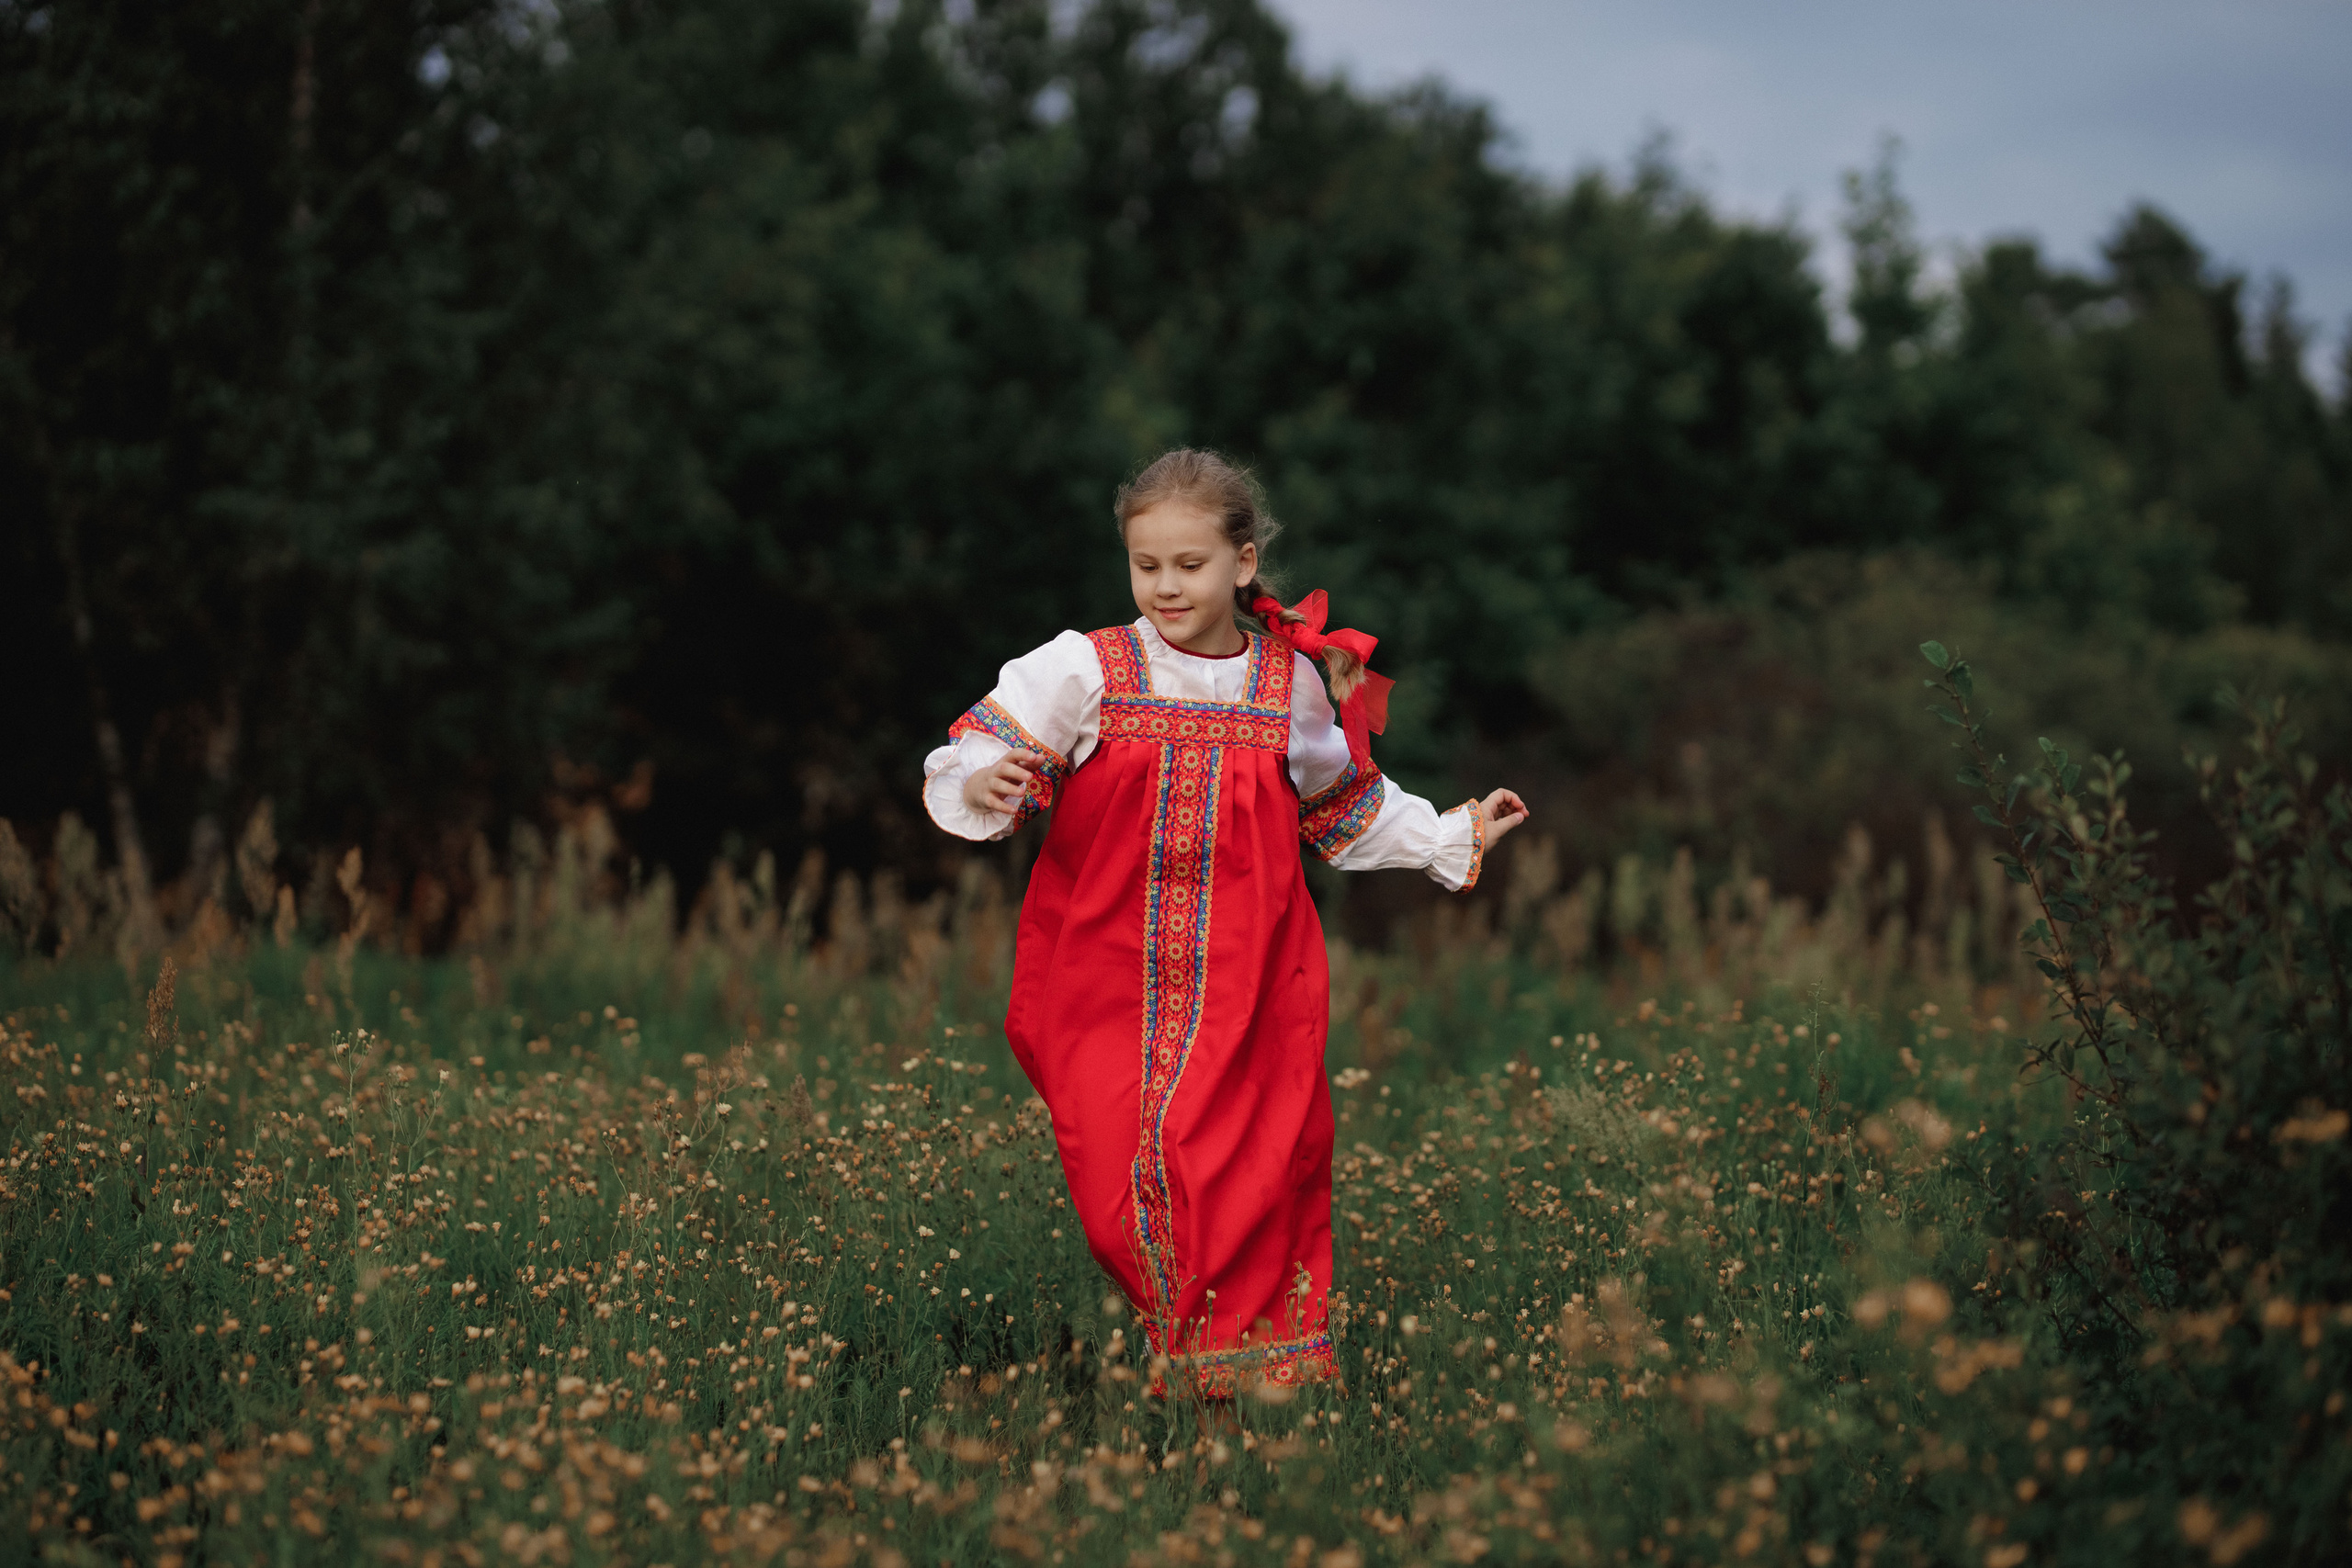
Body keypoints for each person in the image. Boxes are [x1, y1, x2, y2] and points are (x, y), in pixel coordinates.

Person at [922, 448, 1528, 1397]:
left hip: (1246, 977)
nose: (1166, 585)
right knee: (1123, 1172)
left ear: (1242, 564)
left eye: (1189, 565)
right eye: (1147, 565)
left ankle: (1236, 1384)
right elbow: (975, 749)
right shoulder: (1086, 666)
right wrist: (986, 777)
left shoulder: (1286, 684)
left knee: (1240, 1168)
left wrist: (1452, 832)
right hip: (1101, 972)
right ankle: (1209, 1348)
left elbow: (1345, 807)